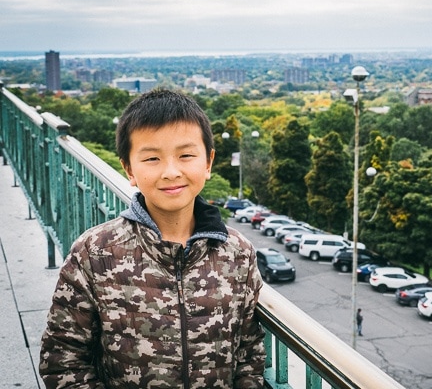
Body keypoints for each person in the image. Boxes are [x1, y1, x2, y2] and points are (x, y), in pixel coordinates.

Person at [39, 88, 266, 388]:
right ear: (129, 168)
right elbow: (62, 363)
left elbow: (249, 357)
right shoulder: (93, 254)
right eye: (152, 158)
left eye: (186, 155)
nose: (171, 172)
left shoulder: (237, 254)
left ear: (208, 162)